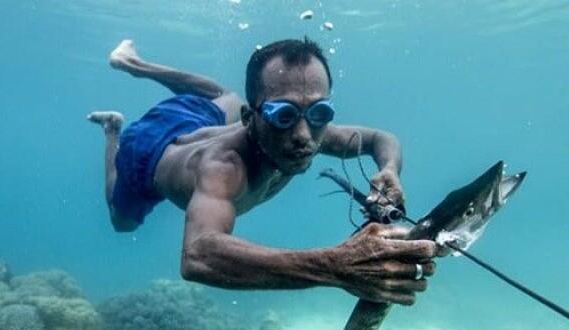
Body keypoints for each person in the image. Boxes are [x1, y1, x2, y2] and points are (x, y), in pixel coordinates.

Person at [88, 38, 436, 305]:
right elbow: (198, 256)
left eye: (319, 113)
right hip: (144, 152)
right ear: (250, 118)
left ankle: (134, 63)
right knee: (122, 222)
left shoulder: (306, 129)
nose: (303, 136)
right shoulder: (224, 168)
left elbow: (380, 139)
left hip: (193, 117)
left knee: (223, 95)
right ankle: (112, 130)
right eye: (283, 115)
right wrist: (337, 265)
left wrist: (390, 169)